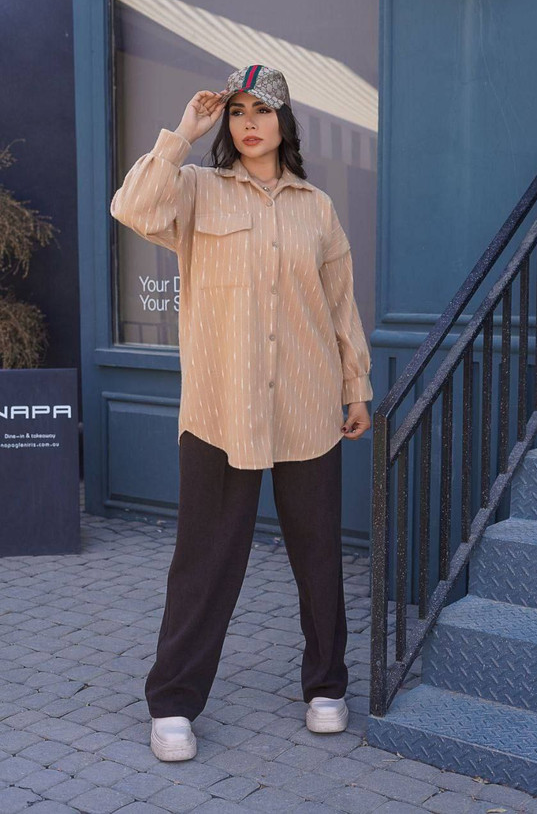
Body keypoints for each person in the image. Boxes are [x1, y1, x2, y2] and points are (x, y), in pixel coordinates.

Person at [110, 65, 373, 762]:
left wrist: (355, 386)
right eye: (237, 112)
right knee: (203, 560)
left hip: (308, 405)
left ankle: (326, 685)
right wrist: (183, 133)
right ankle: (173, 703)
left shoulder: (317, 207)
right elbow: (132, 208)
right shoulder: (197, 190)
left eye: (263, 109)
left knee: (318, 556)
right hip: (219, 410)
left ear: (285, 121)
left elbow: (340, 304)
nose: (249, 122)